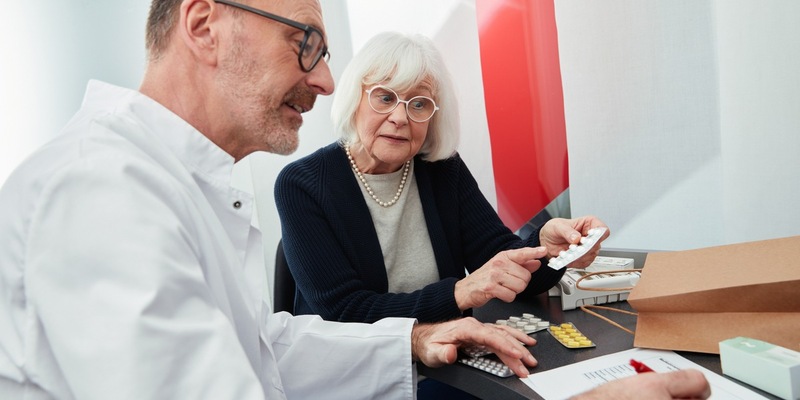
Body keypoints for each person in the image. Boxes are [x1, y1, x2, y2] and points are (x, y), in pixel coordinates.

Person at [0, 1, 710, 399]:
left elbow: (267, 345)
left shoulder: (179, 182)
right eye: (305, 43)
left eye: (420, 101)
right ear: (204, 26)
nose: (325, 80)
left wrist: (419, 333)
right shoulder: (103, 190)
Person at [275, 31, 608, 325]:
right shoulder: (302, 185)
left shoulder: (443, 169)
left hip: (449, 359)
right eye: (386, 97)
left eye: (419, 104)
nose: (400, 117)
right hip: (357, 376)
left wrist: (546, 249)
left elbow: (501, 263)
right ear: (355, 99)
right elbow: (343, 312)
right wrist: (460, 292)